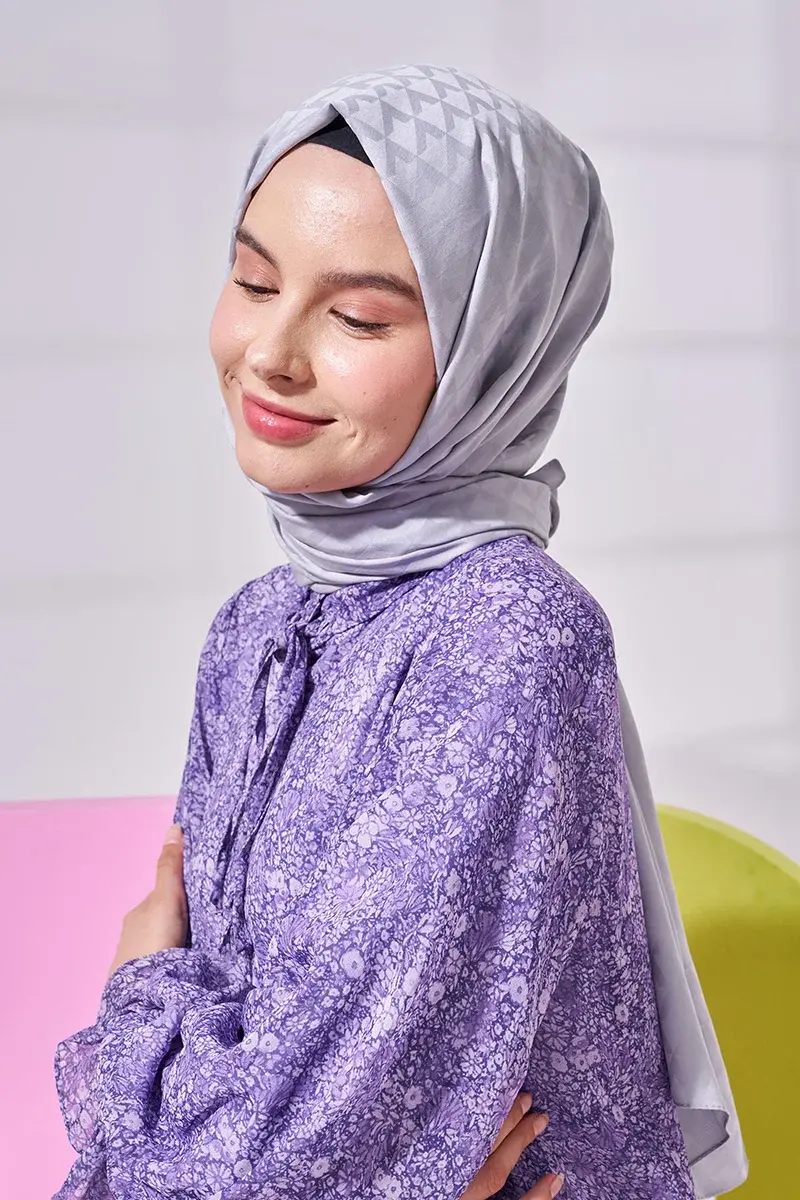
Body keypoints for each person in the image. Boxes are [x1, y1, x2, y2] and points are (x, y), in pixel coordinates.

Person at [53, 65, 746, 1199]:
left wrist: (132, 1000)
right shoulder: (259, 628)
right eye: (252, 280)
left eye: (358, 317)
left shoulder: (508, 637)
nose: (271, 353)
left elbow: (279, 1148)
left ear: (495, 348)